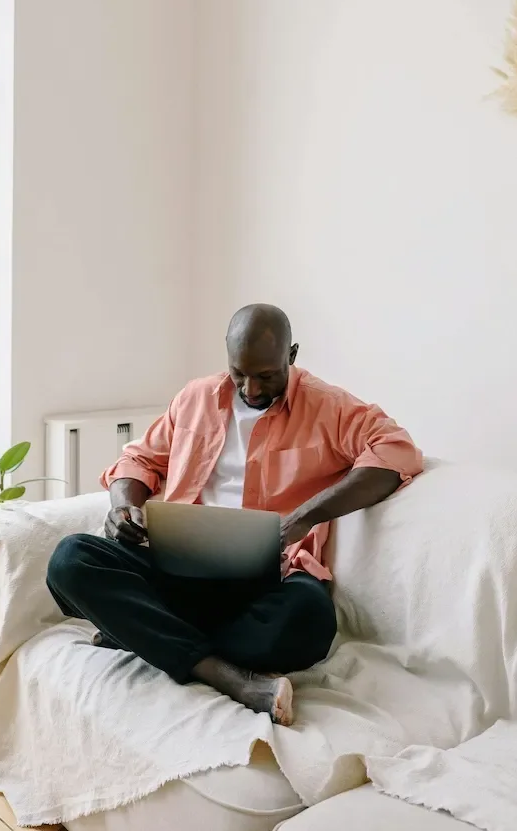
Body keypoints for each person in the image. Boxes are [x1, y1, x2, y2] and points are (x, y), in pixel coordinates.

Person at [47, 304, 422, 726]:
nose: (252, 389)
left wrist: (303, 518)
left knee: (309, 624)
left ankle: (141, 633)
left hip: (269, 580)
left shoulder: (328, 407)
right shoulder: (195, 398)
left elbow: (397, 451)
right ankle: (230, 678)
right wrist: (122, 507)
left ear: (292, 355)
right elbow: (140, 460)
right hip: (177, 567)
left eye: (266, 375)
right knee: (71, 559)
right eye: (239, 373)